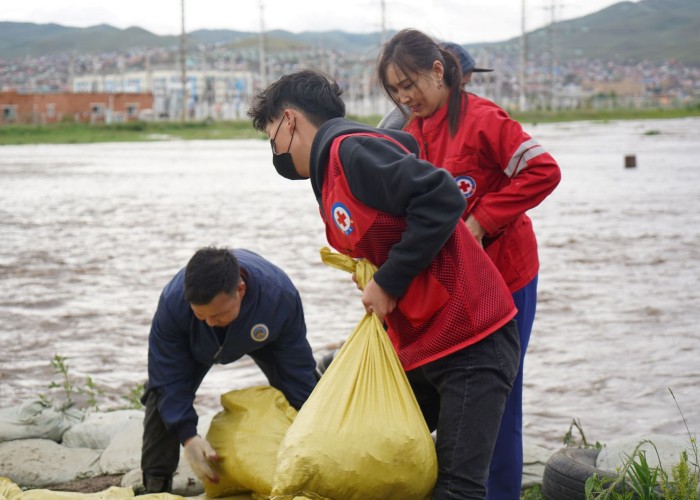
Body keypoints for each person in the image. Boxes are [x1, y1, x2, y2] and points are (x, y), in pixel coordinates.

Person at [248, 69, 520, 499]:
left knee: (456, 488)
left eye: (271, 136)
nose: (275, 149)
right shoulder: (332, 169)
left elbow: (442, 197)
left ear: (289, 120)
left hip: (472, 338)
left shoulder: (351, 152)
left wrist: (389, 282)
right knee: (376, 451)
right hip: (423, 342)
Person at [377, 29, 562, 499]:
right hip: (456, 285)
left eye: (410, 84)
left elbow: (544, 170)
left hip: (507, 276)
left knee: (499, 399)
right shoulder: (408, 134)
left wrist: (482, 220)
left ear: (438, 71)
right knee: (455, 394)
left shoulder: (484, 119)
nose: (405, 97)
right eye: (396, 90)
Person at [140, 246, 317, 492]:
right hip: (196, 346)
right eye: (201, 315)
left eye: (218, 315)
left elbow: (298, 370)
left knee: (305, 396)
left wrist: (311, 411)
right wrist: (188, 437)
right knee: (162, 393)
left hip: (261, 331)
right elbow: (167, 376)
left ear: (240, 290)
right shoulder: (173, 303)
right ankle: (156, 484)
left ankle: (317, 464)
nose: (211, 322)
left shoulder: (279, 297)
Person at [377, 41, 492, 130]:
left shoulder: (481, 118)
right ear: (439, 73)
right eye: (460, 85)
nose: (463, 93)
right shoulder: (405, 121)